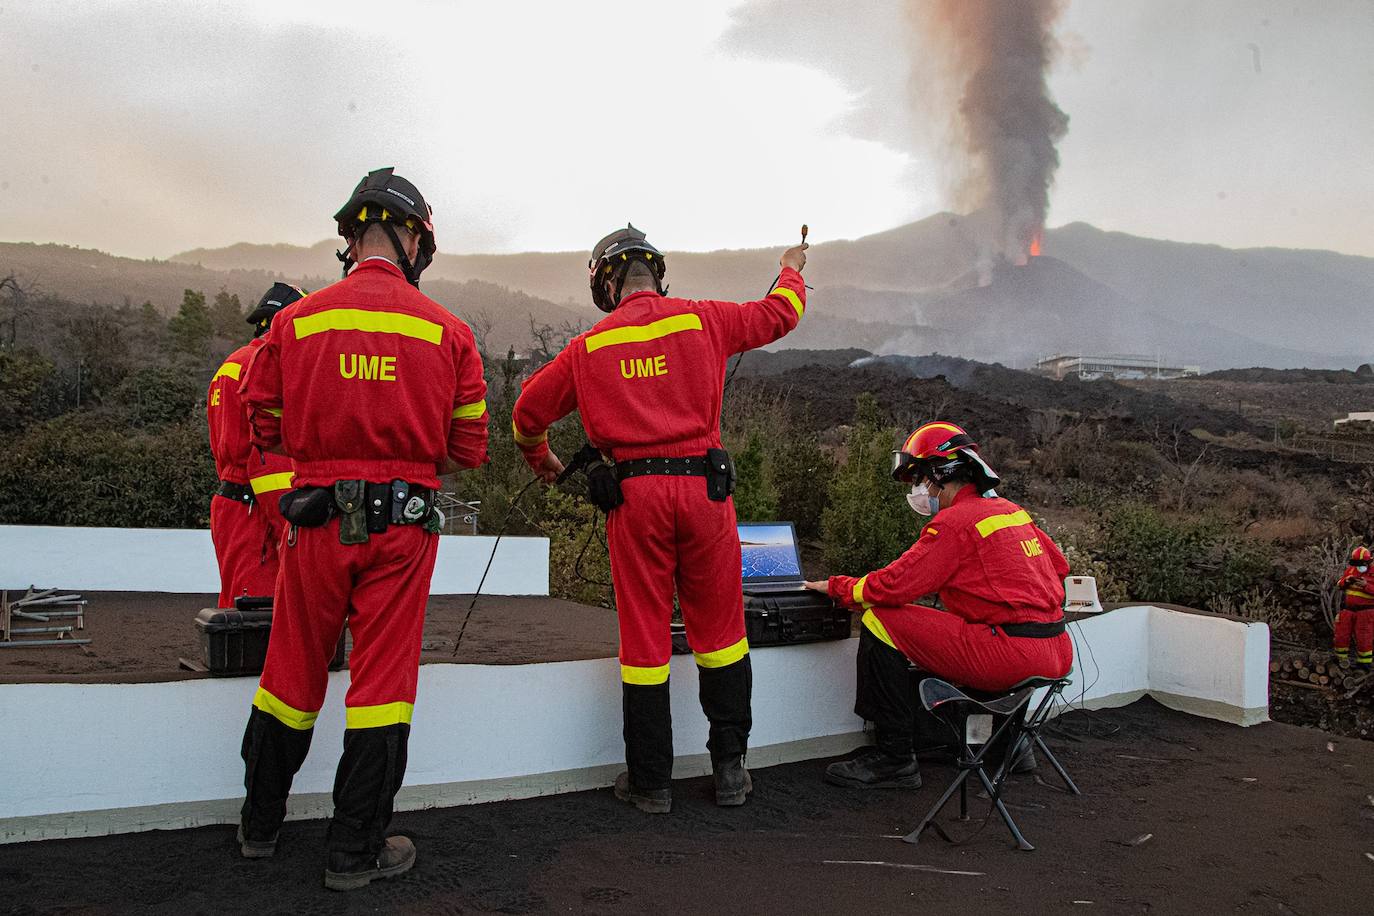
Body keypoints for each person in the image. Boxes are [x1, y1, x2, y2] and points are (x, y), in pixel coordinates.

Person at [236, 167, 489, 890]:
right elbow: (469, 447)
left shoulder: (296, 321)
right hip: (402, 533)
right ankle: (353, 852)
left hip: (314, 524)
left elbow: (265, 422)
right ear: (415, 240)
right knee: (382, 687)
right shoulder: (450, 333)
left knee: (289, 673)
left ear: (351, 235)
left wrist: (329, 440)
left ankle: (259, 826)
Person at [511, 224, 809, 813]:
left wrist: (541, 457)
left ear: (606, 281)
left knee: (644, 640)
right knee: (722, 636)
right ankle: (730, 773)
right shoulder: (702, 319)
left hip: (635, 500)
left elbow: (525, 413)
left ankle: (650, 785)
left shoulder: (589, 348)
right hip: (705, 493)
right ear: (657, 274)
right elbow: (781, 314)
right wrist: (791, 266)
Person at [804, 421, 1073, 789]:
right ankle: (1009, 746)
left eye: (920, 480)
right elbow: (1060, 566)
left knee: (881, 619)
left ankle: (894, 758)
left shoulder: (954, 523)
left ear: (940, 476)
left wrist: (837, 587)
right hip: (1056, 648)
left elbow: (895, 586)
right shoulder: (1013, 512)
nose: (920, 490)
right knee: (965, 624)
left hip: (1009, 654)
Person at [206, 283, 305, 607]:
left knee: (234, 607)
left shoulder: (231, 364)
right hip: (260, 514)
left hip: (231, 506)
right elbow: (267, 458)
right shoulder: (267, 367)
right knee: (260, 614)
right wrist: (293, 534)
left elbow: (222, 447)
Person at [1334, 545, 1374, 667]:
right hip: (1348, 610)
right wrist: (1346, 581)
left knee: (1364, 637)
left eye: (1361, 563)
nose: (1358, 566)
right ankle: (1340, 660)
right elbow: (1339, 584)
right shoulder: (1351, 570)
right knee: (1341, 634)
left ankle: (1364, 663)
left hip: (1366, 611)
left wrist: (1366, 585)